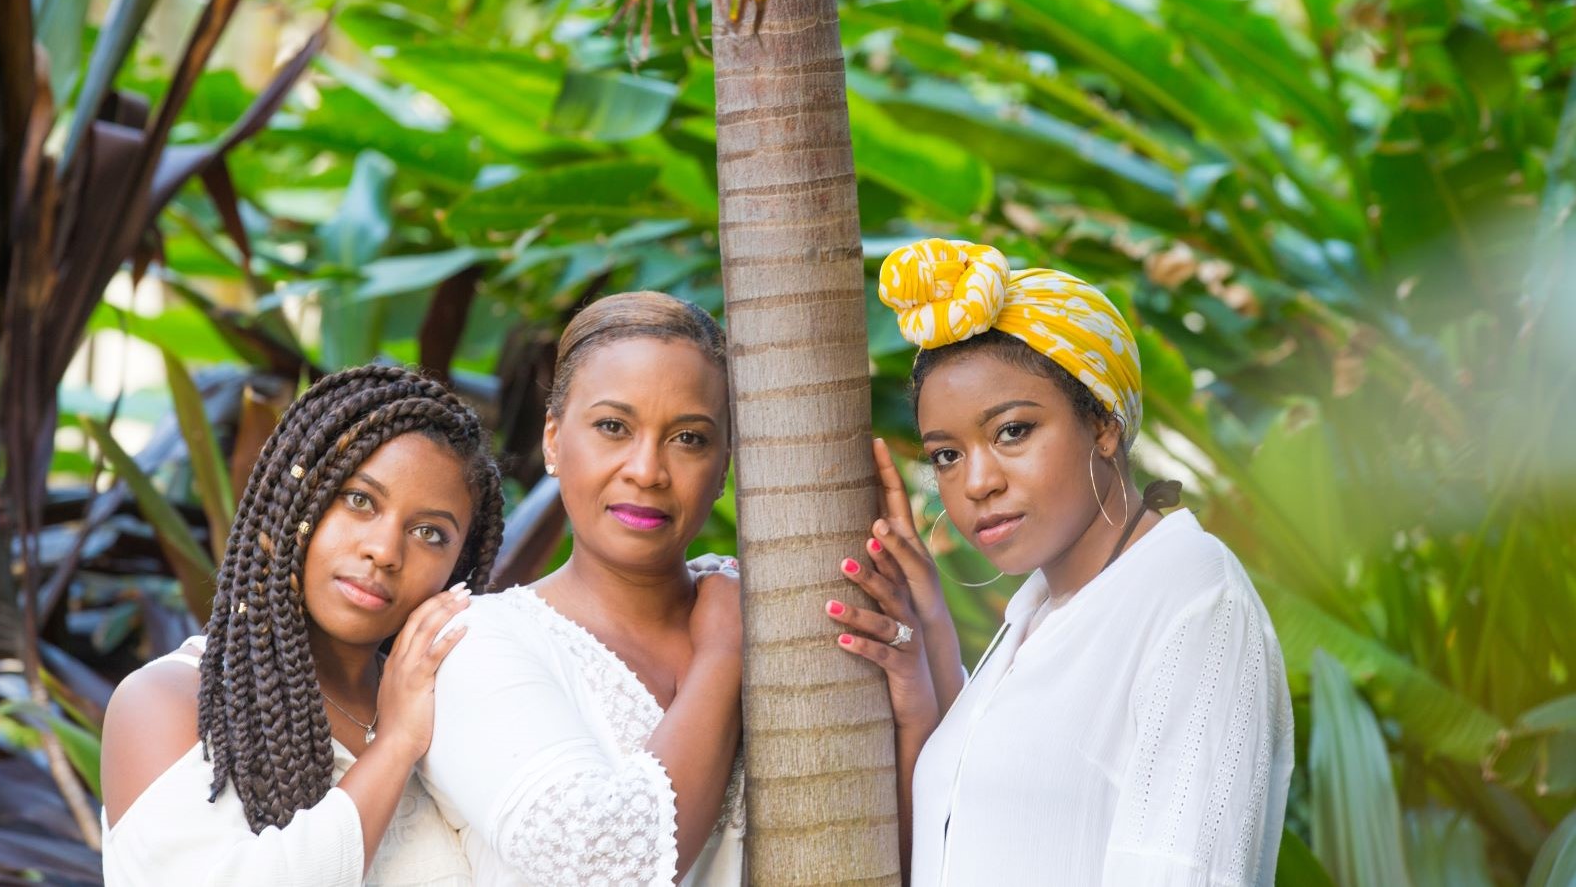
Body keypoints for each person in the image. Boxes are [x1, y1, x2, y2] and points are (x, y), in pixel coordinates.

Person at [826, 238, 1293, 885]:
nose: (977, 482)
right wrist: (926, 644)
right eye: (946, 455)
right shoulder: (1038, 614)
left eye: (1013, 431)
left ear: (1103, 424)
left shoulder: (1192, 600)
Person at [100, 364, 505, 886]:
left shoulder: (454, 705)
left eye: (429, 532)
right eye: (360, 501)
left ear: (460, 563)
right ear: (294, 504)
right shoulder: (168, 701)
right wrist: (396, 743)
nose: (383, 551)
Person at [422, 292, 745, 886]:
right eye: (613, 427)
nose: (647, 470)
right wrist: (724, 655)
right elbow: (609, 868)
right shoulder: (479, 643)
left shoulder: (767, 610)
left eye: (690, 438)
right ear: (553, 439)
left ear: (726, 464)